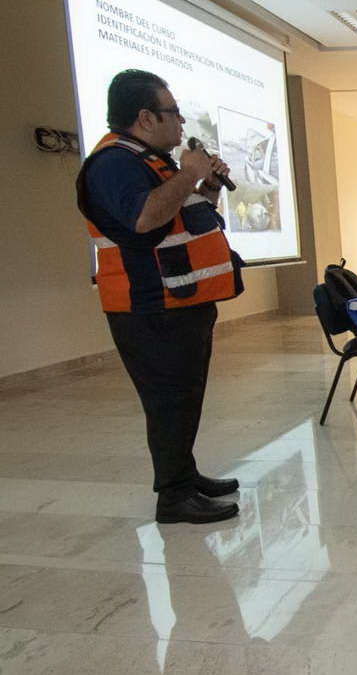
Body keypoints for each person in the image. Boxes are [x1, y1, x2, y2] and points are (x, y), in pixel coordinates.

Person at [76, 70, 244, 524]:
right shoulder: (113, 162)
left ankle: (184, 476)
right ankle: (173, 497)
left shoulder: (153, 161)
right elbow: (144, 219)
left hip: (180, 302)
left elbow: (183, 218)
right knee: (168, 402)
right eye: (174, 112)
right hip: (149, 307)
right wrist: (188, 174)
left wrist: (207, 185)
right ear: (146, 118)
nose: (182, 121)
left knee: (185, 398)